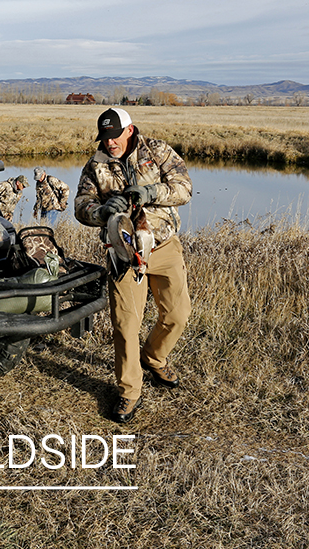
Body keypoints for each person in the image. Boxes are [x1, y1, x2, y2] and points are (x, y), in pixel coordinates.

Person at [74, 107, 193, 424]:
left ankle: (154, 358)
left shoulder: (158, 151)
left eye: (114, 136)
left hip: (164, 244)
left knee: (178, 315)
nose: (109, 143)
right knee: (126, 325)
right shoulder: (95, 166)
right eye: (104, 137)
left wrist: (152, 192)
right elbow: (80, 207)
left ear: (129, 131)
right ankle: (129, 391)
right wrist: (100, 212)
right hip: (124, 253)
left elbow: (184, 188)